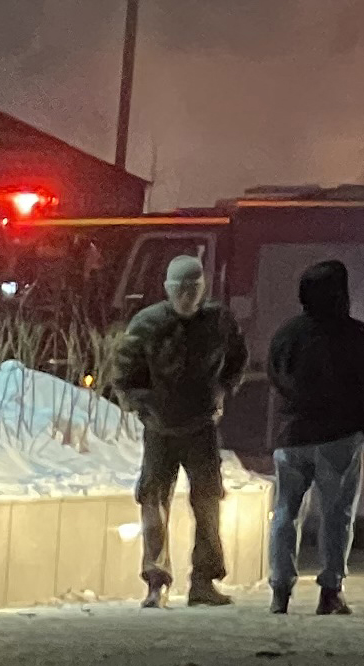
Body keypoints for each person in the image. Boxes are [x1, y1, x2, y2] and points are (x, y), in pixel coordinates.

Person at [106, 252, 249, 607]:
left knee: (208, 504)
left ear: (203, 288)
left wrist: (223, 390)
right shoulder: (147, 324)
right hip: (159, 430)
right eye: (180, 287)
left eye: (194, 287)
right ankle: (157, 582)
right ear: (168, 288)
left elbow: (237, 360)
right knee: (154, 503)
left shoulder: (219, 322)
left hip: (201, 428)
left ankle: (204, 580)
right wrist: (143, 405)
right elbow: (123, 373)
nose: (187, 294)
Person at [263, 258, 364, 616]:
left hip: (292, 437)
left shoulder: (287, 334)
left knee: (285, 512)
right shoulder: (357, 335)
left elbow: (274, 378)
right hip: (339, 438)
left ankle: (280, 590)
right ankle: (330, 590)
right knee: (336, 514)